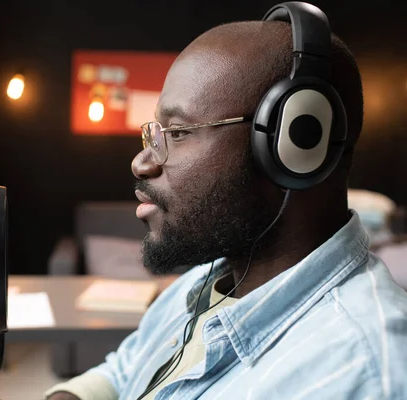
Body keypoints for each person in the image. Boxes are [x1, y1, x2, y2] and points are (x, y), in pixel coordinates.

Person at [44, 2, 407, 400]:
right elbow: (126, 371)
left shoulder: (363, 374)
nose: (141, 162)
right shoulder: (206, 281)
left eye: (178, 132)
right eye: (155, 134)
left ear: (294, 142)